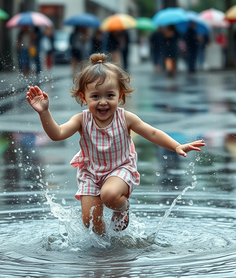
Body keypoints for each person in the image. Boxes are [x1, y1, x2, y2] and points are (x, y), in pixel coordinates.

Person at [25, 53, 205, 235]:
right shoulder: (81, 120)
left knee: (109, 195)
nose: (103, 102)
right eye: (95, 96)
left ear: (120, 95)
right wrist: (44, 113)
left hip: (120, 169)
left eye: (110, 95)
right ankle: (106, 250)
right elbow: (57, 134)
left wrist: (176, 146)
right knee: (90, 221)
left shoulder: (125, 118)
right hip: (90, 172)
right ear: (84, 97)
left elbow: (152, 132)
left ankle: (122, 208)